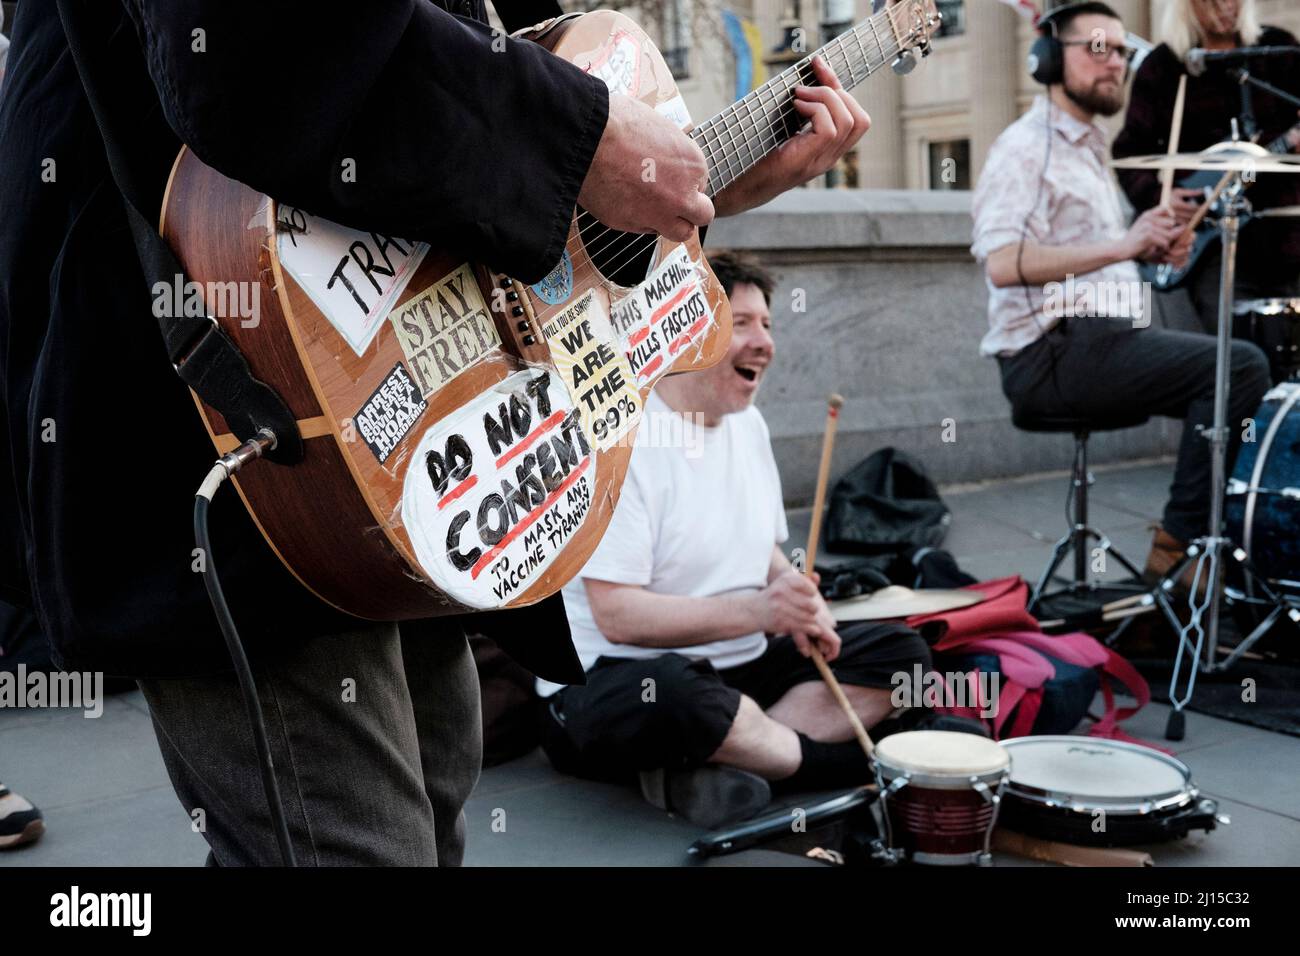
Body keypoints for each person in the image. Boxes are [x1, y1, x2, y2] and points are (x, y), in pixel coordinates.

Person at [0, 0, 869, 865]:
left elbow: (491, 139)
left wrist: (679, 199)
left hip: (417, 426)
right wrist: (583, 139)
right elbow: (258, 54)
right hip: (232, 409)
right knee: (360, 846)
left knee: (432, 806)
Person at [537, 252, 937, 828]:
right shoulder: (623, 439)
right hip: (618, 677)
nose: (764, 343)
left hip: (736, 667)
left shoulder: (749, 425)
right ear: (685, 327)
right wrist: (760, 611)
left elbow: (764, 552)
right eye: (742, 323)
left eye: (768, 325)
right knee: (676, 694)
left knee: (902, 655)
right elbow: (619, 618)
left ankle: (735, 752)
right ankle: (828, 762)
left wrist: (797, 597)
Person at [971, 1, 1271, 587]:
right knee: (1238, 366)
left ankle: (1207, 549)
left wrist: (1154, 250)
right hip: (1048, 352)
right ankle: (1180, 555)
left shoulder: (1086, 147)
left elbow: (1107, 259)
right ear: (1049, 59)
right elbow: (1004, 265)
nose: (1116, 66)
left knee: (1232, 366)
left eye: (1122, 52)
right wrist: (1123, 246)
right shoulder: (1027, 146)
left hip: (1102, 338)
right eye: (1098, 50)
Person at [1113, 0, 1300, 333]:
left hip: (1288, 236)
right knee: (1236, 358)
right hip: (1214, 248)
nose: (1226, 6)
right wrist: (1161, 197)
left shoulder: (1280, 51)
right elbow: (1129, 153)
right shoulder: (1164, 68)